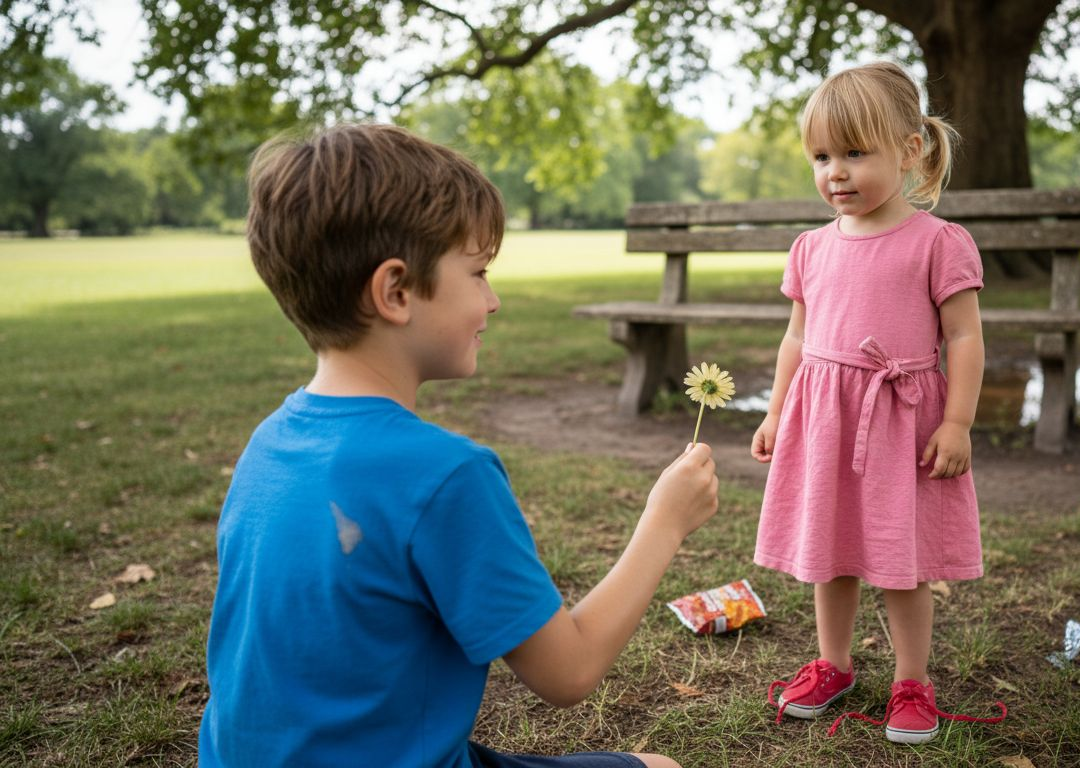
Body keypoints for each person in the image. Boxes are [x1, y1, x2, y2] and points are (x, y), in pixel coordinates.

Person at [198, 123, 719, 768]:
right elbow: (570, 671)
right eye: (477, 273)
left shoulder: (268, 445)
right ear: (395, 292)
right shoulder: (446, 476)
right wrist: (666, 521)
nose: (493, 300)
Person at [750, 61, 1006, 744]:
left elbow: (965, 336)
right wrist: (777, 411)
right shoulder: (810, 248)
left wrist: (957, 422)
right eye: (821, 156)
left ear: (909, 150)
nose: (835, 171)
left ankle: (911, 678)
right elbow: (796, 340)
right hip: (825, 420)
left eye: (854, 153)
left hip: (903, 420)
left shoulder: (937, 242)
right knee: (829, 549)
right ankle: (833, 663)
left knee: (900, 555)